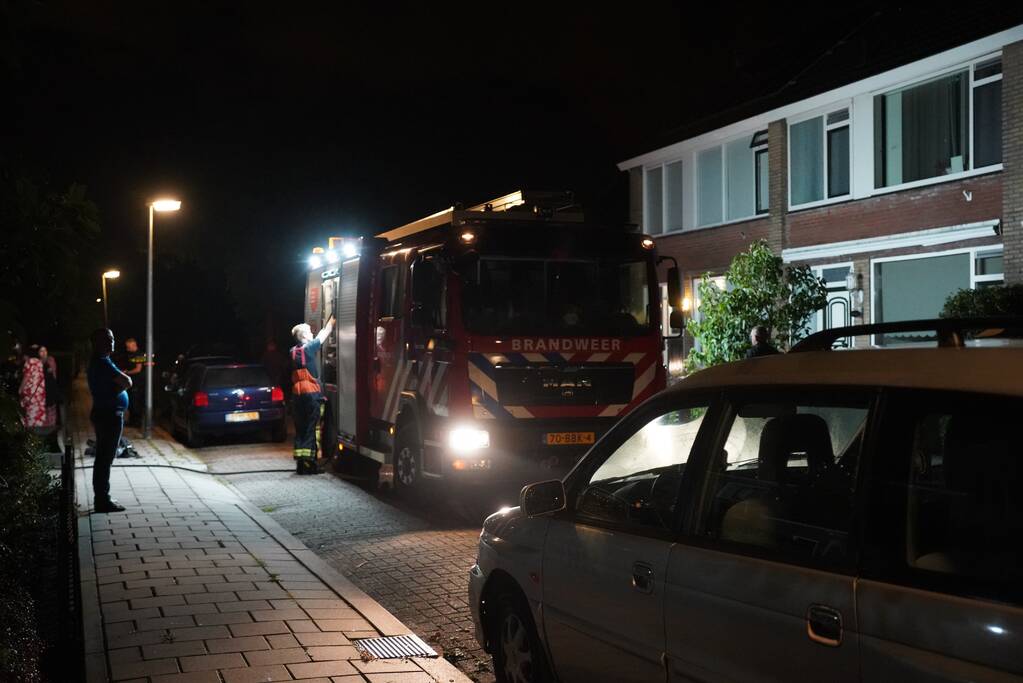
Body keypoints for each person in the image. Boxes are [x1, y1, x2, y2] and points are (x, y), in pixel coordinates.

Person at [87, 328, 131, 513]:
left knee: (103, 458)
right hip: (109, 415)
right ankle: (102, 500)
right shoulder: (103, 363)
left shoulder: (102, 362)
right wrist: (116, 390)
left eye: (112, 339)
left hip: (105, 412)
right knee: (105, 459)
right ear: (97, 343)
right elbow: (127, 381)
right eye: (107, 339)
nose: (111, 342)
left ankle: (102, 497)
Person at [289, 317, 334, 475]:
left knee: (301, 429)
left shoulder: (293, 351)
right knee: (310, 429)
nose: (312, 333)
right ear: (303, 336)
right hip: (310, 395)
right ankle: (310, 465)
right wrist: (333, 318)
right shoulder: (308, 348)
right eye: (309, 332)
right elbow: (325, 333)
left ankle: (301, 464)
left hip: (297, 396)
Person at [19, 348, 55, 435]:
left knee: (30, 415)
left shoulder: (29, 362)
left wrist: (20, 388)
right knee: (38, 415)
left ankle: (31, 437)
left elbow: (27, 377)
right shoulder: (39, 362)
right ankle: (39, 435)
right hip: (40, 393)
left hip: (31, 393)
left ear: (26, 356)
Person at [114, 338, 144, 427]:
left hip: (138, 382)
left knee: (135, 402)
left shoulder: (139, 355)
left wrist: (127, 372)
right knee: (131, 401)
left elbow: (138, 369)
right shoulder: (130, 354)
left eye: (128, 347)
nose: (127, 349)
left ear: (134, 345)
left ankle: (137, 422)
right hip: (132, 382)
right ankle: (132, 421)